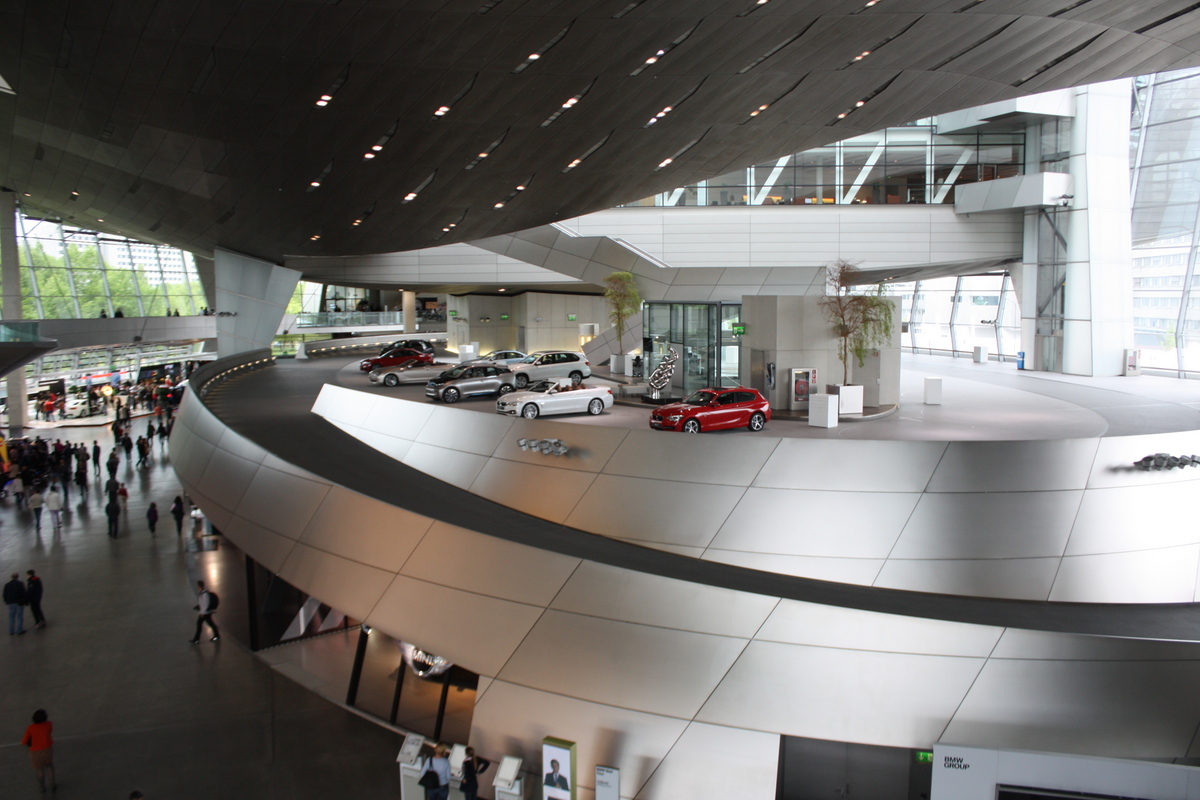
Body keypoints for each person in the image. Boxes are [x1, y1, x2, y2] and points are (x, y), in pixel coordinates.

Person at [21, 708, 55, 793]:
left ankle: (42, 787)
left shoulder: (30, 728)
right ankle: (52, 784)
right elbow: (49, 732)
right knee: (49, 766)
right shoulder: (48, 725)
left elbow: (24, 741)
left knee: (39, 769)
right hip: (47, 749)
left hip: (35, 752)